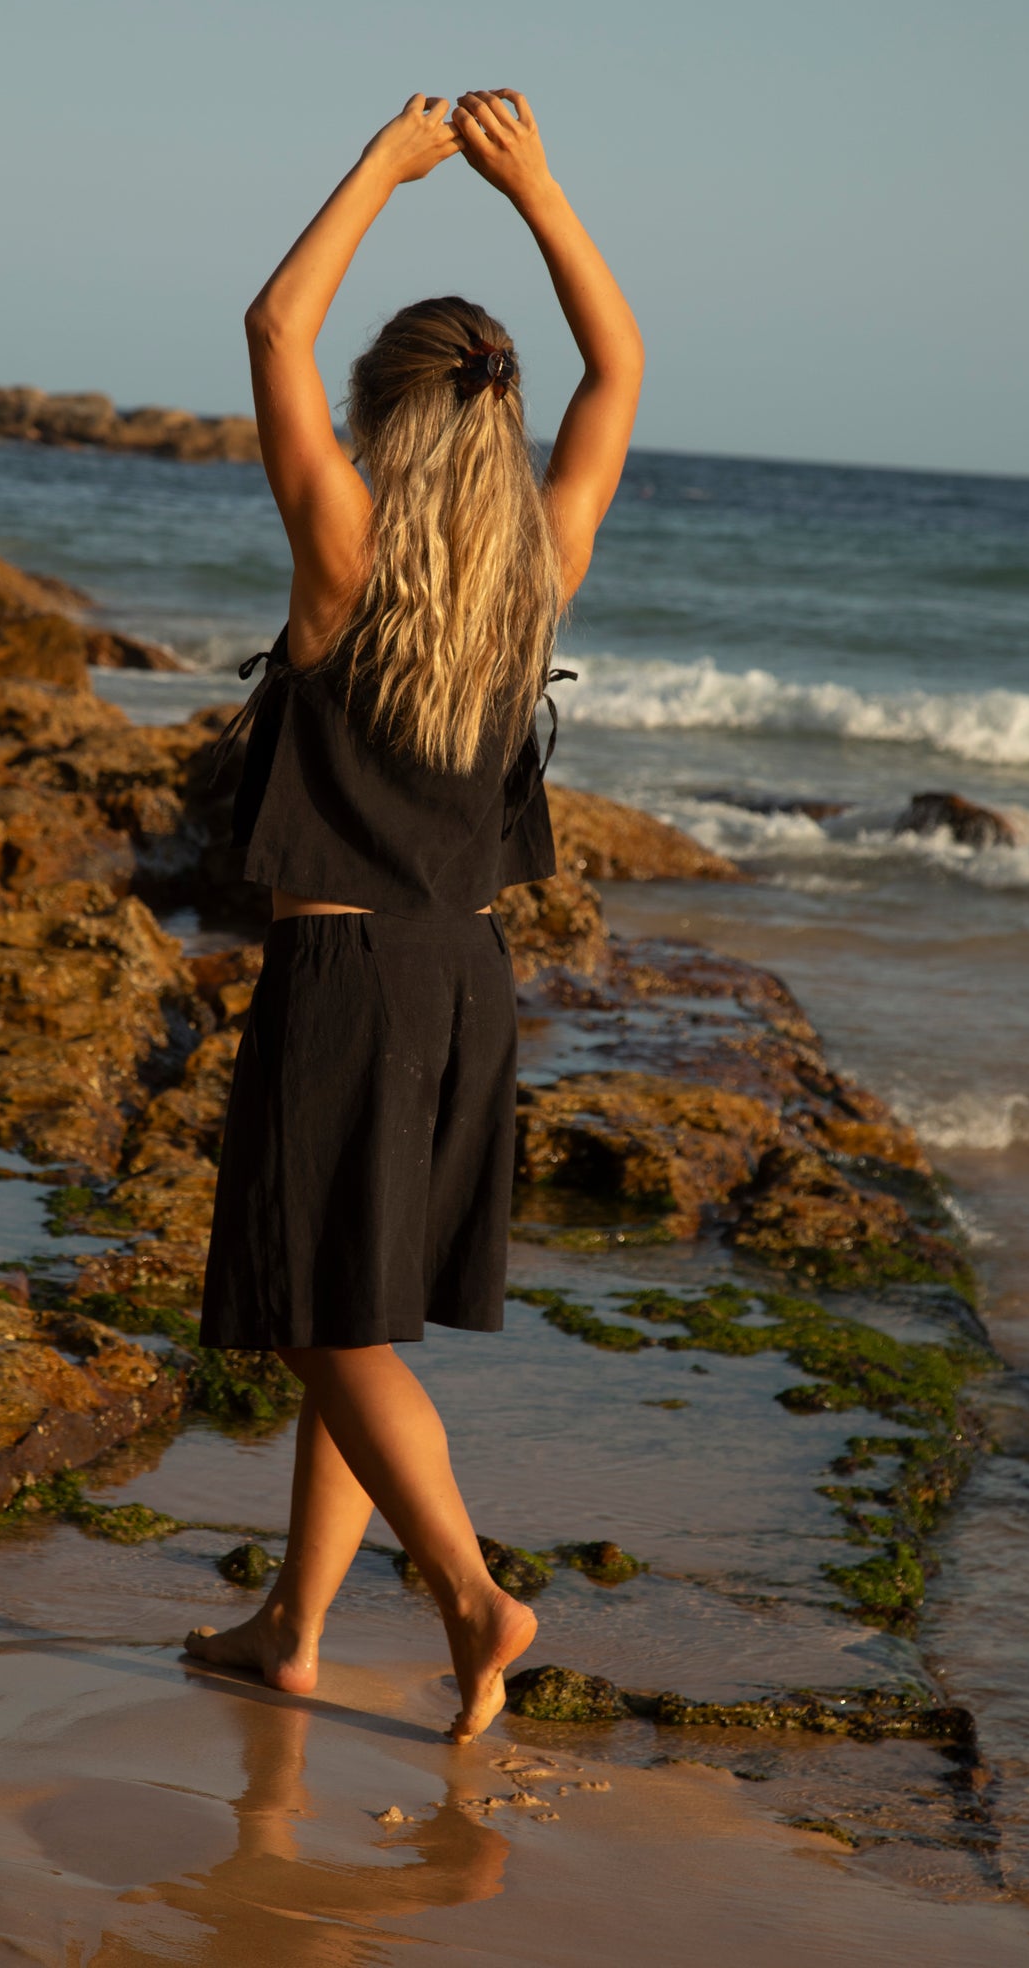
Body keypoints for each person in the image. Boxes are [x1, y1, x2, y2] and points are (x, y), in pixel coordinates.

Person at [185, 91, 643, 1743]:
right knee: (354, 1305)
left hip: (343, 975)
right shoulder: (541, 563)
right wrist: (537, 190)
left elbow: (271, 318)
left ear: (379, 414)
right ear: (498, 420)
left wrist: (380, 167)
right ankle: (291, 1631)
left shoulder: (341, 547)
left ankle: (470, 1594)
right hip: (467, 978)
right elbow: (617, 372)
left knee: (319, 1317)